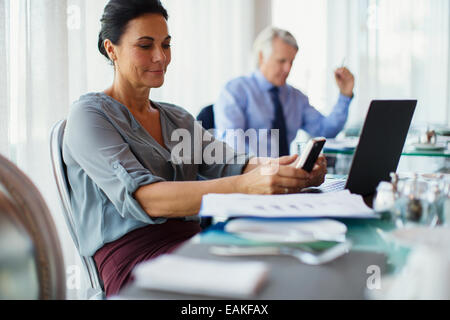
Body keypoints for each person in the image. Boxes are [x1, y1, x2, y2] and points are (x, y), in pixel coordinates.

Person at [63, 0, 327, 298]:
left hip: (194, 245)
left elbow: (234, 163)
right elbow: (146, 199)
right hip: (135, 264)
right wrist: (245, 186)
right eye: (145, 45)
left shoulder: (176, 118)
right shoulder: (90, 116)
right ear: (111, 49)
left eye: (166, 44)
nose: (161, 57)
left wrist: (290, 168)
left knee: (292, 265)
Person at [214, 27, 355, 157]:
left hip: (286, 177)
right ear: (262, 57)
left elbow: (326, 131)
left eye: (291, 62)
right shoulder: (235, 91)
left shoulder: (296, 98)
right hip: (250, 177)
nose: (288, 69)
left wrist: (344, 95)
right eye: (281, 61)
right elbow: (232, 150)